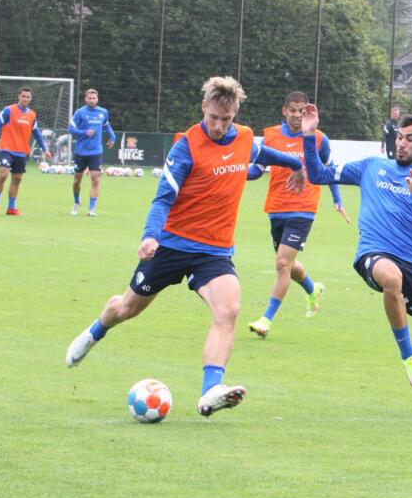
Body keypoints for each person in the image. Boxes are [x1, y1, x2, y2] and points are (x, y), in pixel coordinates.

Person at [65, 76, 305, 416]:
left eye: (227, 119)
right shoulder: (186, 147)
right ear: (204, 107)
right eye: (214, 118)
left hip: (214, 252)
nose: (220, 126)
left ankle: (210, 392)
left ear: (235, 112)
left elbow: (263, 153)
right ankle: (94, 332)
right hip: (171, 246)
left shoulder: (246, 137)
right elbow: (163, 199)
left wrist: (295, 164)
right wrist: (150, 235)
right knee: (127, 309)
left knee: (229, 309)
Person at [296, 106, 412, 414]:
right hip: (375, 253)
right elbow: (317, 174)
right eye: (399, 137)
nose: (401, 143)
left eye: (410, 138)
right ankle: (409, 357)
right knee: (391, 277)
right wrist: (308, 135)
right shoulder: (372, 166)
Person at [245, 90, 350, 339]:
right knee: (288, 265)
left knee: (282, 263)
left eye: (301, 111)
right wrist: (233, 171)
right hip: (276, 208)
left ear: (307, 112)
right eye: (292, 110)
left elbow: (328, 169)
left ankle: (266, 320)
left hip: (304, 209)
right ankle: (313, 289)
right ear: (284, 111)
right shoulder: (270, 136)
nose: (296, 116)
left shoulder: (318, 139)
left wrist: (337, 199)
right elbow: (257, 170)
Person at [0, 87, 51, 216]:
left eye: (28, 97)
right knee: (3, 174)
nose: (25, 99)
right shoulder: (8, 110)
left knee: (17, 179)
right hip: (7, 148)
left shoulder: (32, 115)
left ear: (30, 99)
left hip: (21, 151)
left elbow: (37, 133)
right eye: (23, 96)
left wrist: (45, 149)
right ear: (19, 96)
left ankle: (11, 207)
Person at [67, 88, 117, 217]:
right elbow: (70, 129)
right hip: (81, 151)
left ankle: (91, 209)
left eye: (94, 98)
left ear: (97, 99)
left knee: (95, 179)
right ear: (85, 99)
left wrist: (112, 137)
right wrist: (84, 132)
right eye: (89, 98)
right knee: (77, 180)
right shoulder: (80, 113)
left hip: (96, 151)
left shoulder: (103, 112)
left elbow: (106, 125)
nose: (92, 100)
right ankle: (76, 202)